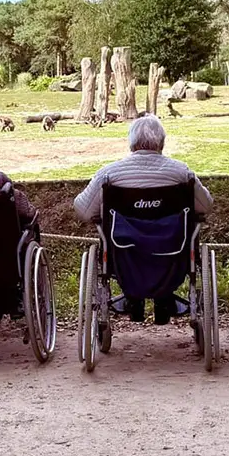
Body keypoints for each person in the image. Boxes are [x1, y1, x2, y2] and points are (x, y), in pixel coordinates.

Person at [73, 115, 212, 323]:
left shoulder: (109, 174)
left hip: (124, 255)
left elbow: (83, 211)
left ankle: (132, 298)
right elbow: (206, 206)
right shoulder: (182, 173)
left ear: (131, 143)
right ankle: (164, 298)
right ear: (162, 142)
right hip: (172, 253)